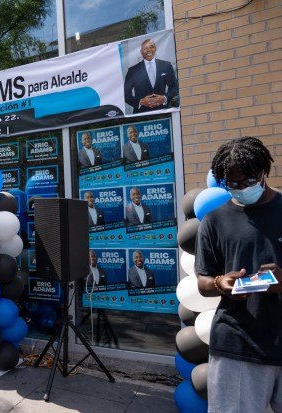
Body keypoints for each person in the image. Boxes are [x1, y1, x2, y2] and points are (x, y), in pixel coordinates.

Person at [195, 137, 282, 413]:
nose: (241, 188)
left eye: (248, 181)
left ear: (263, 172)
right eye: (232, 184)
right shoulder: (214, 220)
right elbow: (203, 282)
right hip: (237, 343)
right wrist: (222, 283)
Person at [123, 38, 178, 114]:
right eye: (145, 48)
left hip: (163, 112)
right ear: (141, 52)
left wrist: (165, 98)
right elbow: (125, 95)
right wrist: (141, 102)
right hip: (141, 114)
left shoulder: (166, 65)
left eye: (151, 47)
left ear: (155, 48)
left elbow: (175, 87)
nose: (149, 50)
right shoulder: (132, 70)